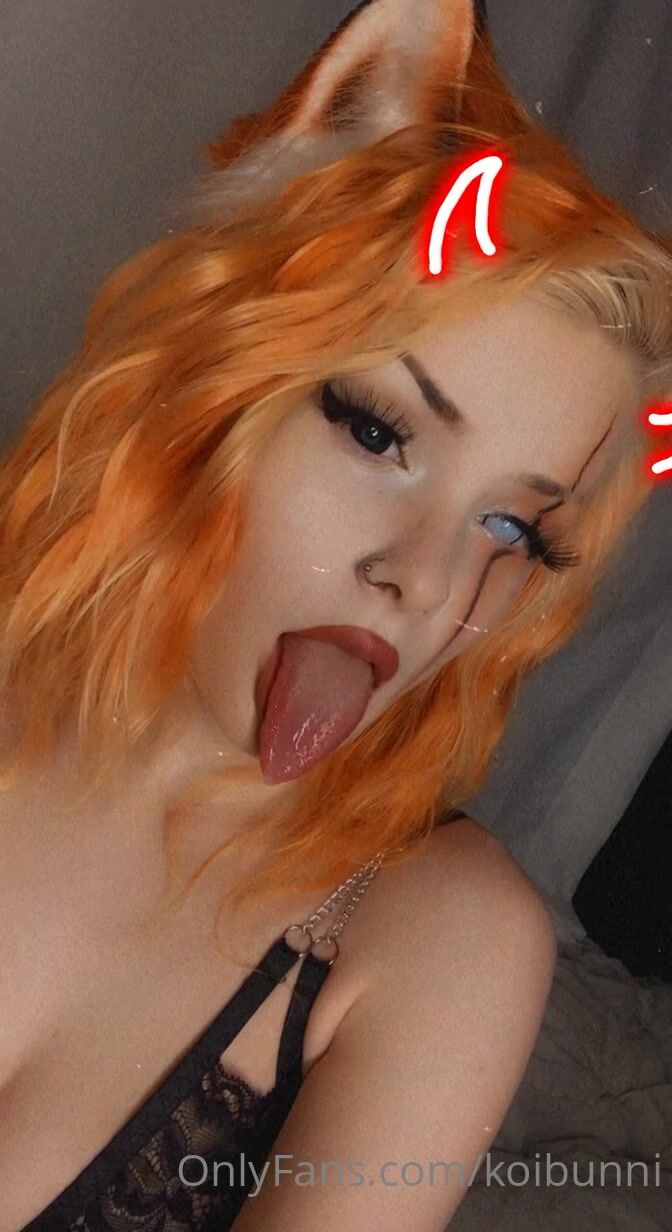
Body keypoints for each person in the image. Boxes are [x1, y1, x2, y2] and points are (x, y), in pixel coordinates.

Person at [0, 0, 670, 1229]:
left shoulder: (434, 936)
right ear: (213, 382)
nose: (428, 581)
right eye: (375, 430)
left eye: (515, 531)